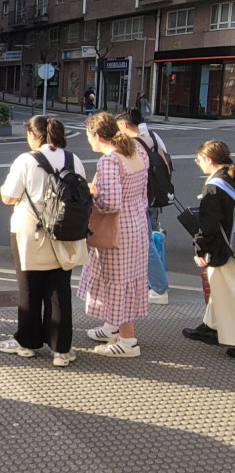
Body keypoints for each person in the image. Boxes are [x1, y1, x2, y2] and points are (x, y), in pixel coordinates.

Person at [0, 116, 86, 365]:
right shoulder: (74, 159)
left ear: (34, 136)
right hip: (65, 230)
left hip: (30, 229)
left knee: (29, 288)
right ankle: (61, 349)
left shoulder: (26, 160)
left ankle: (27, 342)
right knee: (59, 289)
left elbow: (8, 196)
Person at [79, 111, 149, 357]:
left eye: (89, 135)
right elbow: (142, 194)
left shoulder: (109, 161)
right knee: (128, 280)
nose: (88, 140)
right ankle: (112, 327)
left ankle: (127, 341)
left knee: (116, 282)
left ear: (97, 136)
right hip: (137, 225)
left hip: (117, 231)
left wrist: (91, 193)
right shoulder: (136, 153)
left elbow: (110, 203)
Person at [183, 138, 235, 356]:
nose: (198, 163)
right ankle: (211, 327)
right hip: (231, 244)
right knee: (220, 291)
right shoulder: (230, 179)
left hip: (225, 248)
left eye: (199, 159)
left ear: (209, 160)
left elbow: (209, 225)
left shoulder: (214, 187)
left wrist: (200, 250)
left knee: (229, 293)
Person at [118, 109, 170, 305]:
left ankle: (159, 287)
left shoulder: (129, 144)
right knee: (144, 242)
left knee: (143, 244)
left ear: (124, 125)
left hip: (139, 198)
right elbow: (165, 163)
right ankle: (151, 284)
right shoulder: (154, 137)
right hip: (153, 196)